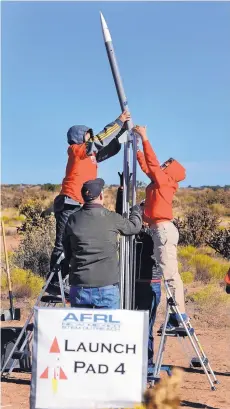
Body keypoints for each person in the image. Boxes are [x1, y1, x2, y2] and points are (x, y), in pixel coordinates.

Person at [50, 111, 130, 275]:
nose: (90, 137)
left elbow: (110, 147)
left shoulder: (89, 155)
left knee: (75, 244)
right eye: (87, 135)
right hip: (69, 202)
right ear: (79, 137)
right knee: (62, 244)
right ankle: (54, 283)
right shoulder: (75, 150)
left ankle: (65, 280)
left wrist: (122, 131)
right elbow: (100, 141)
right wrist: (119, 122)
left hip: (80, 203)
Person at [133, 125, 187, 330]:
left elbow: (153, 165)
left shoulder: (164, 181)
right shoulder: (160, 182)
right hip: (160, 230)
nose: (162, 165)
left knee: (171, 274)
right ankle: (178, 315)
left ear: (170, 171)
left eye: (167, 165)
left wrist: (145, 138)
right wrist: (137, 150)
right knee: (170, 273)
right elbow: (149, 168)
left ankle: (179, 316)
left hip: (163, 230)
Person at [62, 178, 142, 309]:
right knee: (109, 329)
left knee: (81, 329)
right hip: (106, 287)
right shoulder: (111, 217)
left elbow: (67, 251)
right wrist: (136, 212)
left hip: (79, 286)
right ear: (100, 196)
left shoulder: (73, 219)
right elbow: (134, 227)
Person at [115, 172, 162, 377]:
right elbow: (119, 219)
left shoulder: (156, 231)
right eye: (141, 209)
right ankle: (129, 360)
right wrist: (122, 190)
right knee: (128, 322)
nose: (142, 213)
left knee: (146, 326)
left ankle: (147, 362)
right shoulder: (133, 230)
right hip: (130, 282)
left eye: (145, 209)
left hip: (150, 283)